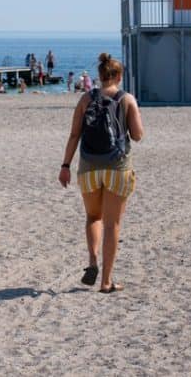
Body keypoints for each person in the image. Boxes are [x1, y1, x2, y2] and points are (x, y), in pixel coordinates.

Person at [59, 53, 144, 293]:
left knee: (93, 217)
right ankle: (106, 282)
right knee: (112, 224)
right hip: (118, 167)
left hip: (89, 166)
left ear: (99, 75)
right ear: (119, 76)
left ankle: (92, 262)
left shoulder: (86, 98)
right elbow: (137, 136)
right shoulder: (127, 99)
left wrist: (65, 166)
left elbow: (74, 135)